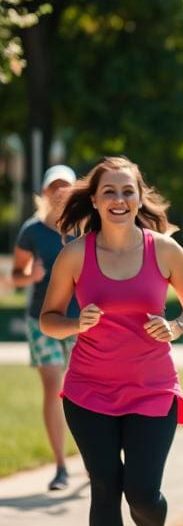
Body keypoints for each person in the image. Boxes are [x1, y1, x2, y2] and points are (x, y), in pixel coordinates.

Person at [39, 156, 183, 526]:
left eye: (127, 191)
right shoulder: (75, 255)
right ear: (93, 200)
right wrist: (76, 323)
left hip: (152, 388)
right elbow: (49, 317)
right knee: (104, 488)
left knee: (143, 493)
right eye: (109, 192)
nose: (119, 200)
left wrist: (176, 325)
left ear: (140, 197)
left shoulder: (165, 250)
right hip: (88, 391)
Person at [11, 164, 79, 491]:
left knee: (85, 391)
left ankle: (95, 462)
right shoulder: (32, 230)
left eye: (66, 187)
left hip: (82, 319)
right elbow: (15, 274)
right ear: (44, 193)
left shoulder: (84, 227)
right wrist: (30, 276)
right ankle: (61, 467)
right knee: (54, 387)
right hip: (42, 319)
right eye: (54, 187)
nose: (60, 193)